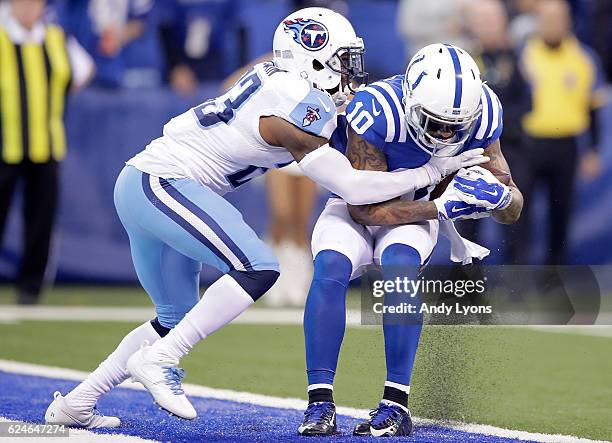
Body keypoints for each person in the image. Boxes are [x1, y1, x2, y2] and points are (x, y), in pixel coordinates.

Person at [44, 8, 486, 428]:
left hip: (146, 184)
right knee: (259, 266)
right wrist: (432, 172)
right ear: (315, 61)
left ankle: (78, 402)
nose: (352, 72)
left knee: (173, 316)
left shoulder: (283, 84)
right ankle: (161, 359)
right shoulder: (297, 102)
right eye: (343, 61)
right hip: (163, 183)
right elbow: (352, 188)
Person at [297, 44, 523, 437]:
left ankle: (395, 404)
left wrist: (501, 198)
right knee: (330, 266)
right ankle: (320, 402)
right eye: (434, 122)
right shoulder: (377, 110)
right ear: (412, 101)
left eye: (455, 125)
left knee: (399, 267)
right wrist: (441, 208)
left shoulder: (485, 112)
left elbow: (514, 206)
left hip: (417, 207)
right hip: (360, 201)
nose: (445, 134)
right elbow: (363, 208)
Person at [0, 0, 94, 305]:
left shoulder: (57, 38)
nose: (28, 9)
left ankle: (30, 288)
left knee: (40, 219)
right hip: (5, 145)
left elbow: (84, 71)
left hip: (47, 144)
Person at [516, 0, 607, 264]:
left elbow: (594, 109)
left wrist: (593, 150)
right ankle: (517, 281)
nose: (553, 25)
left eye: (558, 19)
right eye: (547, 19)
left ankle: (554, 279)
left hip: (566, 146)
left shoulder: (584, 59)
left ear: (568, 22)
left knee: (561, 214)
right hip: (529, 144)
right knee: (520, 213)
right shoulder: (523, 55)